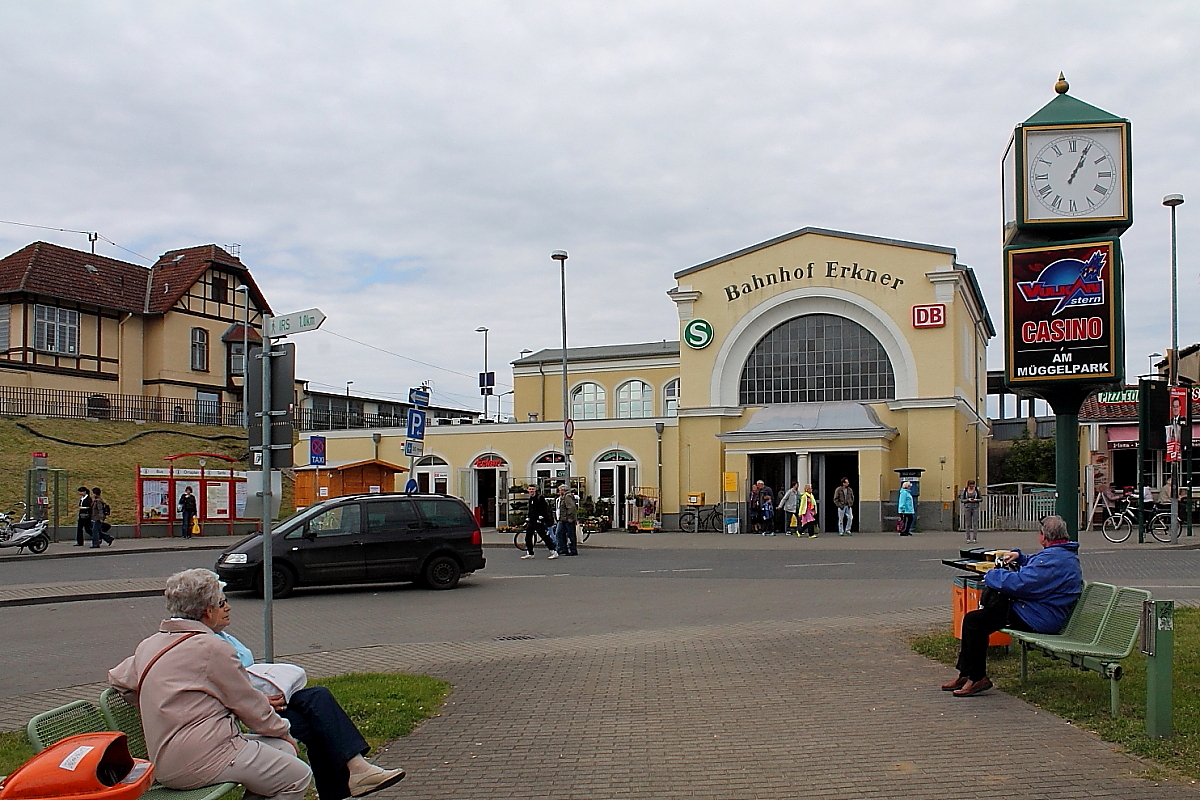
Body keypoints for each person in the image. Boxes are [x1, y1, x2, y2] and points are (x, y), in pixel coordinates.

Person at [109, 569, 404, 800]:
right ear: (206, 611)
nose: (228, 607)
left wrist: (160, 702)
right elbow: (251, 708)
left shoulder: (152, 644)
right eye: (222, 602)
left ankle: (355, 773)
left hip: (173, 756)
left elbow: (118, 680)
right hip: (201, 757)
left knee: (284, 750)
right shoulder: (212, 648)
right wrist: (285, 733)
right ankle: (354, 772)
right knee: (298, 774)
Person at [942, 515, 1082, 697]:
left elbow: (1022, 584)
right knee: (977, 620)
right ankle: (968, 673)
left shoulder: (1055, 559)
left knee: (975, 621)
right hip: (1038, 610)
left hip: (1040, 618)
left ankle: (976, 677)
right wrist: (1020, 557)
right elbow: (1037, 566)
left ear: (1043, 536)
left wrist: (992, 575)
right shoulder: (1061, 554)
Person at [522, 485, 557, 559]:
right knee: (528, 537)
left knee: (544, 537)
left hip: (538, 521)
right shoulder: (531, 499)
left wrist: (541, 518)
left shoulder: (540, 498)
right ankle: (530, 552)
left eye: (532, 489)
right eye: (530, 489)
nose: (531, 491)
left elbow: (544, 509)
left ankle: (553, 551)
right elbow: (530, 510)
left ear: (535, 490)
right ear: (528, 490)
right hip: (532, 521)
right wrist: (527, 519)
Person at [555, 484, 578, 556]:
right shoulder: (562, 497)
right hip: (562, 519)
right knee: (560, 533)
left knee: (570, 534)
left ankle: (573, 550)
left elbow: (571, 507)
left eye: (560, 490)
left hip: (567, 519)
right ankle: (563, 548)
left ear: (563, 490)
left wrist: (570, 517)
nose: (559, 492)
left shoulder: (567, 497)